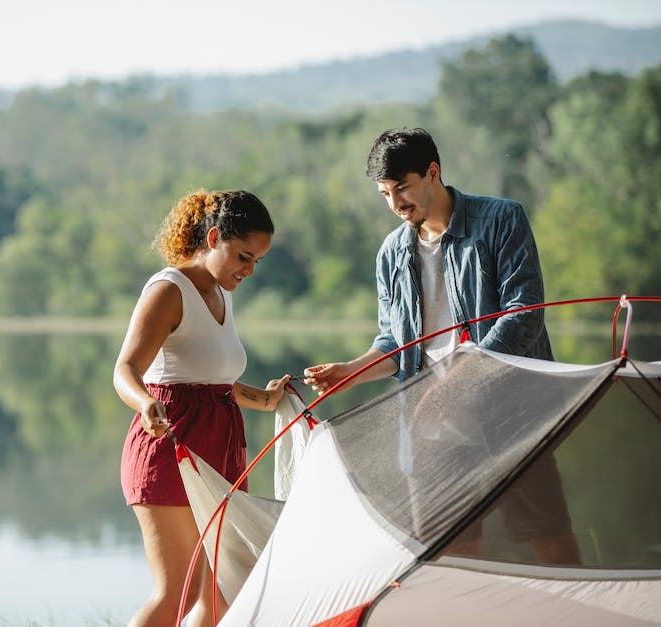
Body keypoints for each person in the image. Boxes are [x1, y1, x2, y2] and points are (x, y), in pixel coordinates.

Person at [304, 127, 580, 564]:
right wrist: (352, 370)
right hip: (430, 430)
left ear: (433, 172)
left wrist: (456, 384)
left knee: (551, 548)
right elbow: (396, 344)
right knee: (447, 562)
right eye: (384, 194)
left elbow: (523, 313)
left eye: (402, 188)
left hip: (515, 419)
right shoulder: (391, 253)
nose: (395, 204)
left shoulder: (501, 219)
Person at [114, 189, 290, 627]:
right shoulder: (168, 289)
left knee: (221, 594)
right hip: (170, 449)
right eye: (243, 257)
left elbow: (215, 381)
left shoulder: (222, 294)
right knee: (178, 592)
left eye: (256, 262)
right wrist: (146, 403)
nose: (248, 271)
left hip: (221, 452)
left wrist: (266, 400)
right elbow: (126, 370)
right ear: (213, 238)